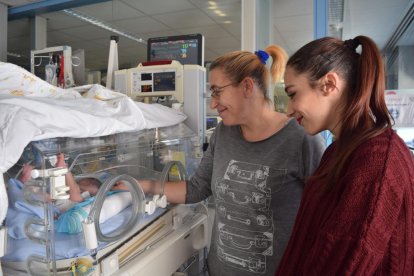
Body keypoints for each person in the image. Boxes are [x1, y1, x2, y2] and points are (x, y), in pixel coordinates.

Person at [116, 45, 326, 275]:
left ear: (247, 86)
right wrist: (142, 186)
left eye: (217, 91)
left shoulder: (301, 140)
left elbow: (322, 221)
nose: (213, 103)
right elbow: (197, 188)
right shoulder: (223, 134)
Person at [276, 36, 414, 275]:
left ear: (329, 84)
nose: (288, 111)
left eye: (293, 93)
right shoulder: (340, 150)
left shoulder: (377, 160)